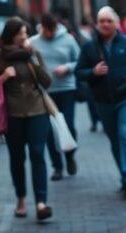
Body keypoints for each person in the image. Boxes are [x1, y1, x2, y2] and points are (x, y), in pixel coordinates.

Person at [76, 6, 126, 198]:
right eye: (102, 21)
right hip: (102, 101)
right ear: (97, 24)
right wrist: (92, 72)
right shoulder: (89, 47)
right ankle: (125, 178)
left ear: (116, 24)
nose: (105, 24)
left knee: (125, 134)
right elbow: (79, 72)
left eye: (109, 21)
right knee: (115, 140)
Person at [0, 17, 53, 222]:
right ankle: (21, 198)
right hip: (12, 115)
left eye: (26, 33)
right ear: (11, 36)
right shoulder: (0, 58)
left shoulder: (33, 54)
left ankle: (41, 202)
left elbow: (47, 82)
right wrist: (3, 77)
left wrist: (33, 59)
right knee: (17, 158)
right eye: (21, 34)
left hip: (37, 111)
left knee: (37, 154)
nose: (25, 37)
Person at [31, 13, 82, 180]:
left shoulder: (68, 39)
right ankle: (57, 166)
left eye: (52, 30)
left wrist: (67, 67)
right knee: (50, 130)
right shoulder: (33, 42)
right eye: (46, 30)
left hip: (66, 89)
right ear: (42, 27)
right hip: (45, 93)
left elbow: (80, 60)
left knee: (68, 124)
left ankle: (70, 155)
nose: (49, 33)